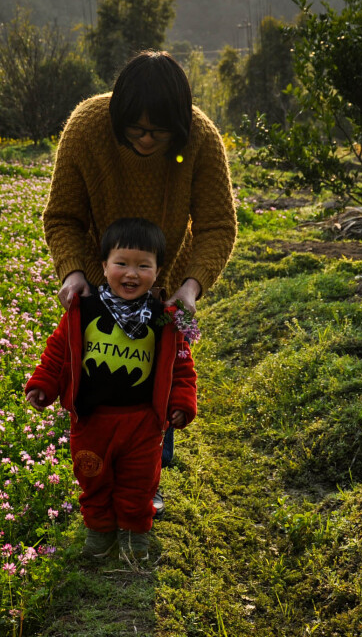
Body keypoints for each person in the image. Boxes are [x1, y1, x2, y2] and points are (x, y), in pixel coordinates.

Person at [42, 50, 237, 515]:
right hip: (97, 277)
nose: (147, 139)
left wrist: (190, 287)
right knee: (98, 375)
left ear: (180, 122)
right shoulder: (87, 127)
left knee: (156, 376)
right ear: (118, 115)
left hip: (165, 280)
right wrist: (75, 275)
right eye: (136, 129)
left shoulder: (201, 137)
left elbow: (217, 225)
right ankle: (96, 472)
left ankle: (146, 475)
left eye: (159, 130)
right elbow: (63, 217)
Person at [25, 218, 197, 561]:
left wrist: (180, 402)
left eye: (143, 266)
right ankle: (100, 532)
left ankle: (135, 536)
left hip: (142, 423)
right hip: (92, 420)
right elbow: (58, 352)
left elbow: (181, 365)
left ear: (159, 270)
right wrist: (43, 384)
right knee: (93, 479)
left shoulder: (164, 318)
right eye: (121, 263)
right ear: (103, 266)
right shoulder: (84, 308)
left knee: (140, 483)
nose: (131, 274)